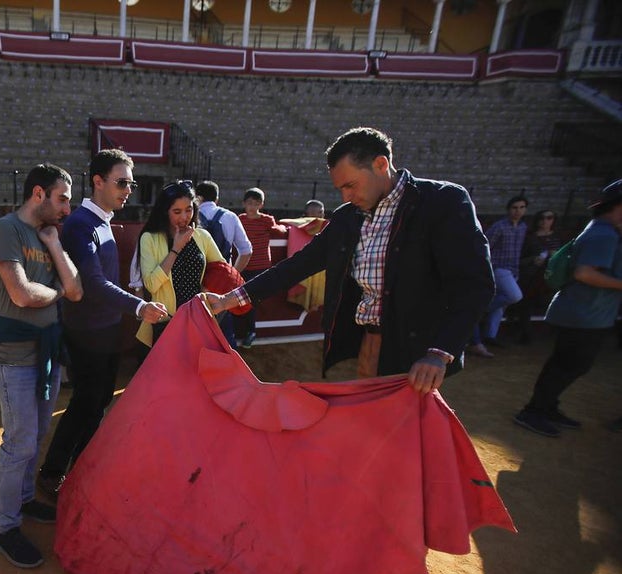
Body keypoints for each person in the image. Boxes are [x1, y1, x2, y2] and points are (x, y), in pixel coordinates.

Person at [206, 126, 495, 394]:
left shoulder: (443, 202)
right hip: (369, 341)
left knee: (405, 437)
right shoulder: (348, 217)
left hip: (417, 348)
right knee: (373, 429)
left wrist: (439, 352)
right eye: (341, 189)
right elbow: (297, 265)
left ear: (381, 165)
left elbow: (474, 285)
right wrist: (231, 298)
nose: (346, 196)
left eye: (351, 185)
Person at [36, 149, 167, 501]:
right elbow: (92, 283)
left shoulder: (100, 221)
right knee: (86, 402)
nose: (129, 189)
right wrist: (138, 306)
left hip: (104, 329)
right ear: (97, 181)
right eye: (121, 182)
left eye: (131, 182)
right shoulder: (81, 225)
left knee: (96, 401)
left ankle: (80, 467)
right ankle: (54, 472)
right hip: (88, 332)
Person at [0, 163, 82, 568]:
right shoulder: (5, 230)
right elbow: (21, 294)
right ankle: (3, 527)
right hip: (14, 356)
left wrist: (55, 244)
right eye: (62, 199)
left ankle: (23, 502)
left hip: (46, 356)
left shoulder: (46, 234)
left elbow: (75, 288)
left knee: (37, 433)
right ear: (38, 193)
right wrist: (57, 291)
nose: (67, 208)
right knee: (20, 441)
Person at [514, 180, 622, 438]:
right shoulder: (603, 234)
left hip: (585, 313)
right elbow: (584, 273)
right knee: (569, 364)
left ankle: (547, 407)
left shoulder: (601, 230)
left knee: (569, 363)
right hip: (583, 313)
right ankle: (534, 410)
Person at [136, 180, 226, 347]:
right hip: (165, 321)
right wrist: (175, 249)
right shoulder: (150, 238)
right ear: (165, 212)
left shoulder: (202, 236)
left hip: (198, 321)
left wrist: (207, 290)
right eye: (177, 211)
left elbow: (221, 272)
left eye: (189, 210)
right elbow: (151, 285)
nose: (184, 217)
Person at [195, 180, 252, 350]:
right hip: (221, 282)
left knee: (196, 330)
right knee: (225, 332)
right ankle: (229, 370)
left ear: (198, 197)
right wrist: (232, 272)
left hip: (194, 280)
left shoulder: (188, 214)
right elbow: (246, 250)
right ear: (217, 198)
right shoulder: (229, 216)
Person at [469, 194, 528, 357]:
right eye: (515, 208)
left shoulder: (523, 227)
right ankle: (480, 312)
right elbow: (485, 245)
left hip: (513, 269)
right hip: (497, 268)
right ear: (509, 209)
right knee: (514, 296)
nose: (518, 211)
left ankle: (490, 336)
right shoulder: (500, 226)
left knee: (501, 307)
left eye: (522, 208)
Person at [235, 187, 287, 349]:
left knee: (250, 300)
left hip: (260, 267)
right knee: (239, 299)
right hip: (242, 266)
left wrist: (284, 228)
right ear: (244, 204)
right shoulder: (239, 219)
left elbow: (279, 231)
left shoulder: (266, 220)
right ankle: (242, 332)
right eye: (249, 203)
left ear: (261, 204)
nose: (252, 207)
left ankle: (250, 332)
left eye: (256, 203)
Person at [512, 208, 563, 344]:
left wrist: (555, 257)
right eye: (542, 218)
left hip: (551, 277)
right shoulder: (530, 237)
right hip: (532, 276)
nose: (545, 221)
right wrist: (533, 260)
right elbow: (519, 259)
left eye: (549, 217)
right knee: (526, 305)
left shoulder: (557, 237)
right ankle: (526, 335)